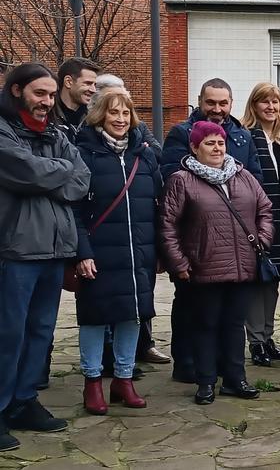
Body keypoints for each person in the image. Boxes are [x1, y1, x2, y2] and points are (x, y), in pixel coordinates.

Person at [0, 63, 90, 452]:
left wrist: (48, 177)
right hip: (15, 251)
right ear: (17, 90)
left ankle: (22, 401)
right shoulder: (3, 131)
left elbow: (82, 180)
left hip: (55, 251)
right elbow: (26, 171)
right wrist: (57, 174)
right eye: (40, 93)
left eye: (51, 95)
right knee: (8, 335)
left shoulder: (55, 133)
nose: (47, 102)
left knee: (40, 332)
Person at [159, 121, 273, 405]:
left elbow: (265, 210)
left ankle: (236, 379)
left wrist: (262, 241)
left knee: (234, 325)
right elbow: (167, 226)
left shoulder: (243, 176)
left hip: (242, 266)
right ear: (194, 147)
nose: (217, 148)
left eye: (220, 143)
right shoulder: (181, 180)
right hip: (204, 267)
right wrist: (179, 263)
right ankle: (206, 382)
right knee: (206, 326)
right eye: (209, 143)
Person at [72, 89, 160, 415]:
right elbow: (75, 211)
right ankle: (92, 381)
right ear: (99, 116)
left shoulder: (144, 155)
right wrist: (82, 252)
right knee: (95, 318)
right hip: (98, 253)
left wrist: (159, 250)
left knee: (132, 314)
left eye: (126, 113)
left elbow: (158, 205)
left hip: (138, 251)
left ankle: (123, 378)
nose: (121, 119)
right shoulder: (83, 154)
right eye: (113, 113)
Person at [88, 75, 167, 367]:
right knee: (103, 307)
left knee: (137, 300)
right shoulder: (86, 146)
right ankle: (101, 369)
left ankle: (133, 359)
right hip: (104, 241)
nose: (121, 116)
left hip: (138, 238)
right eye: (113, 107)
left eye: (125, 108)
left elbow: (156, 159)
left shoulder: (140, 140)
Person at [241, 83, 280, 367]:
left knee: (273, 280)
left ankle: (267, 336)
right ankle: (256, 342)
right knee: (257, 282)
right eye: (264, 102)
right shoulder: (245, 137)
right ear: (254, 105)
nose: (271, 107)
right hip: (256, 223)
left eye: (275, 102)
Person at [50, 57, 99, 142]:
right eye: (88, 83)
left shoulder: (95, 118)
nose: (93, 90)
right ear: (68, 82)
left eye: (95, 85)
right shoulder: (46, 115)